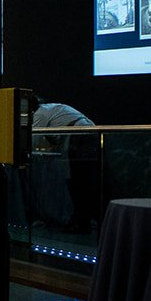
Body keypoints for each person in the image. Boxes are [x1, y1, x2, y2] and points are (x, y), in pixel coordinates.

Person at [29, 93, 98, 231]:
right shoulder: (50, 108)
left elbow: (31, 140)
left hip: (77, 137)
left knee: (77, 181)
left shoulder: (39, 114)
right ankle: (83, 219)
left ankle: (80, 222)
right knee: (83, 181)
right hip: (89, 133)